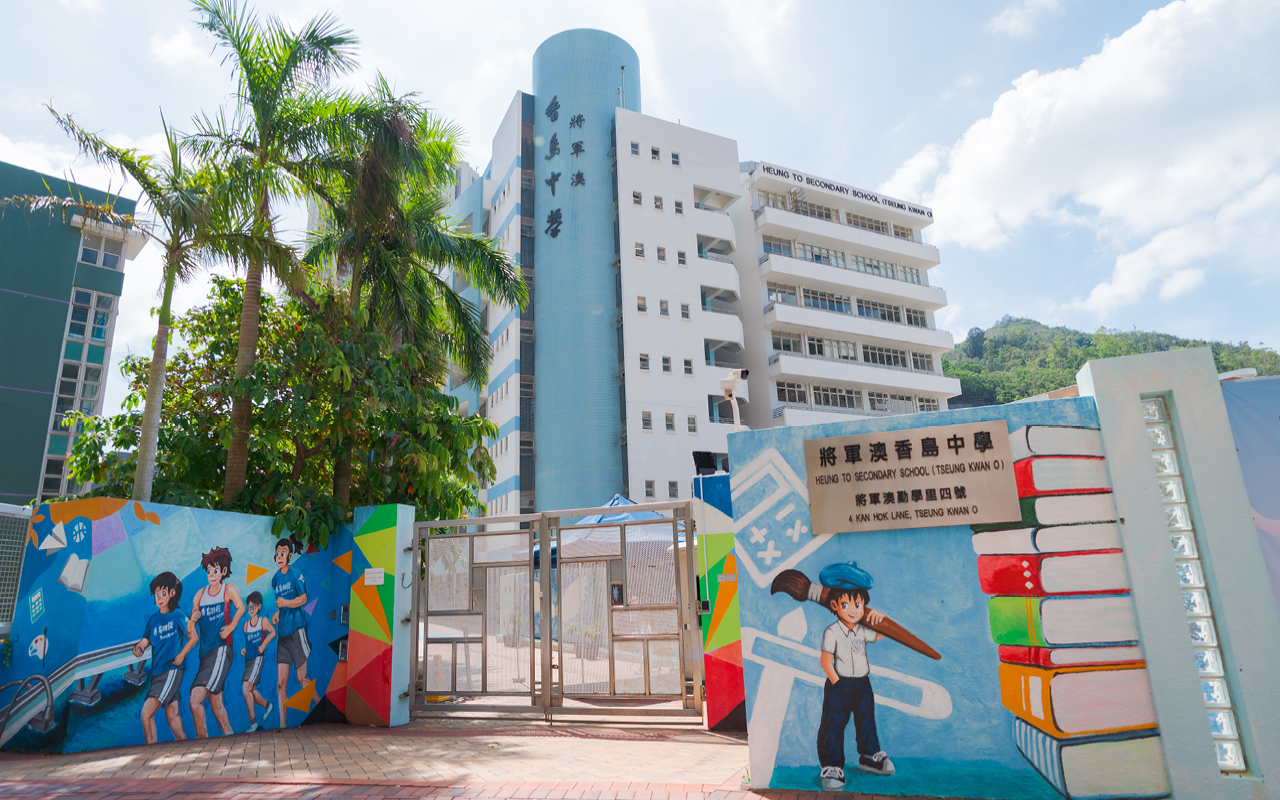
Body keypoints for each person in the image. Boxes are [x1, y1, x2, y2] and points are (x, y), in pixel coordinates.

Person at [816, 561, 894, 790]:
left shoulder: (862, 630)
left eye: (858, 604)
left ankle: (869, 755)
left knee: (866, 718)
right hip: (839, 684)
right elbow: (825, 660)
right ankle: (832, 765)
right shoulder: (832, 631)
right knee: (833, 724)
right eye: (846, 604)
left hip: (862, 683)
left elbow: (880, 635)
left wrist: (880, 619)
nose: (853, 610)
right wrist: (835, 681)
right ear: (835, 605)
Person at [188, 546, 245, 738]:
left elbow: (241, 608)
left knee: (195, 699)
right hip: (205, 654)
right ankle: (229, 734)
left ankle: (203, 742)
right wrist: (193, 619)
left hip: (221, 651)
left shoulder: (229, 590)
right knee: (216, 703)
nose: (212, 574)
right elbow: (190, 625)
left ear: (224, 571)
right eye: (209, 571)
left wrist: (231, 627)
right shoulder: (200, 595)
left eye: (216, 570)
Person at [134, 572, 194, 744]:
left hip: (171, 670)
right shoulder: (153, 620)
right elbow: (145, 641)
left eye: (162, 593)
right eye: (156, 594)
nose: (159, 597)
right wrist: (138, 648)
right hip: (157, 672)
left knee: (146, 713)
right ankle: (185, 746)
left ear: (172, 593)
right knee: (172, 715)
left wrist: (181, 655)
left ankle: (151, 751)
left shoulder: (178, 615)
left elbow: (193, 637)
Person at [271, 537, 310, 724]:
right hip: (282, 635)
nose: (279, 556)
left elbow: (303, 599)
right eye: (277, 553)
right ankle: (283, 724)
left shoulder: (296, 575)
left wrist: (285, 603)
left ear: (290, 556)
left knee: (301, 679)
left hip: (297, 630)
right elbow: (280, 603)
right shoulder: (276, 578)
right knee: (281, 683)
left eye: (283, 553)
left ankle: (318, 702)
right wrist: (277, 614)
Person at [239, 591, 277, 732]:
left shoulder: (263, 621)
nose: (250, 610)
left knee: (245, 689)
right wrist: (244, 649)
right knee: (251, 690)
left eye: (253, 607)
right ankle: (267, 705)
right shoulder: (246, 625)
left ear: (259, 607)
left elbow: (272, 632)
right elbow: (249, 643)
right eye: (248, 607)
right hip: (248, 660)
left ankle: (253, 723)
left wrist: (263, 645)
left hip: (257, 659)